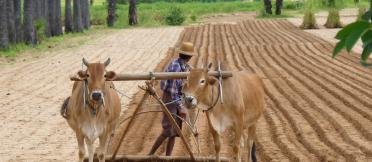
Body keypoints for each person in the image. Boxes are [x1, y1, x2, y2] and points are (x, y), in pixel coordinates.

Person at [148, 42, 196, 156]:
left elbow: (190, 69)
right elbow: (173, 90)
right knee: (167, 131)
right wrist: (181, 108)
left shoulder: (183, 65)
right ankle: (149, 155)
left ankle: (168, 157)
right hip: (170, 99)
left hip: (176, 98)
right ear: (190, 57)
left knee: (174, 132)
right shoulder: (176, 66)